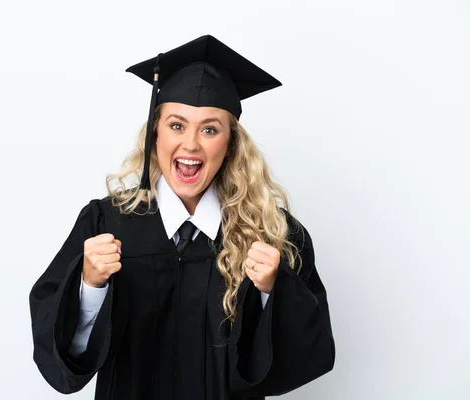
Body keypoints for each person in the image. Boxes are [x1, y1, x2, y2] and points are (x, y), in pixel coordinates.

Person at [29, 35, 335, 400]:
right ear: (155, 132)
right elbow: (65, 359)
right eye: (177, 125)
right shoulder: (106, 223)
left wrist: (272, 291)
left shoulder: (271, 234)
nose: (191, 144)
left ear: (231, 143)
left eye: (209, 129)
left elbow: (305, 358)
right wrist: (90, 286)